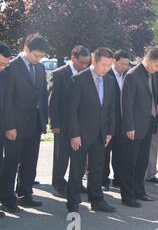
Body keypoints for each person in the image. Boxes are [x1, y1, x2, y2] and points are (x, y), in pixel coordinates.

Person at [0, 34, 49, 213]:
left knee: (30, 160)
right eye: (36, 55)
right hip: (16, 124)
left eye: (41, 56)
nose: (38, 59)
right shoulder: (11, 67)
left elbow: (42, 95)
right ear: (26, 49)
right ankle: (6, 197)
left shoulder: (41, 68)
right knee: (11, 161)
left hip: (35, 122)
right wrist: (9, 125)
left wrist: (44, 120)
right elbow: (7, 99)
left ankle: (25, 193)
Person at [66, 48, 116, 214]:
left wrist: (109, 131)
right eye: (104, 65)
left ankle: (97, 200)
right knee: (77, 170)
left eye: (109, 65)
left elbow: (111, 109)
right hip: (80, 134)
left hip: (101, 134)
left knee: (97, 168)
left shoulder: (109, 81)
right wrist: (74, 134)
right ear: (93, 61)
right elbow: (71, 110)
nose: (106, 68)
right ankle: (73, 202)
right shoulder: (78, 80)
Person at [121, 47, 158, 207]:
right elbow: (126, 104)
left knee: (142, 162)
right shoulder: (132, 75)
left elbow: (152, 96)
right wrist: (129, 127)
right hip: (134, 127)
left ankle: (140, 191)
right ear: (147, 60)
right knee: (130, 163)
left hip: (148, 124)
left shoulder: (152, 74)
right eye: (157, 66)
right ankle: (127, 196)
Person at [49, 46, 91, 198]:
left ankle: (77, 183)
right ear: (73, 58)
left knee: (79, 156)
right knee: (61, 156)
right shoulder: (59, 74)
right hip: (62, 124)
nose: (84, 66)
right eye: (81, 62)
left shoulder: (87, 74)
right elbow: (53, 101)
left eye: (87, 63)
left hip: (80, 124)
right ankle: (59, 183)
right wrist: (54, 124)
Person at [102, 50, 131, 190]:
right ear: (114, 61)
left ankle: (118, 179)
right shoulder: (106, 74)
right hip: (108, 121)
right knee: (105, 153)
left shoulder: (128, 76)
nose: (124, 67)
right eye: (121, 64)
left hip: (122, 122)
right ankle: (103, 180)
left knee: (121, 152)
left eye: (127, 64)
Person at [0, 43, 12, 218]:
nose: (2, 68)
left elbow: (7, 103)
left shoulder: (4, 77)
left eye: (5, 65)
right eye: (0, 63)